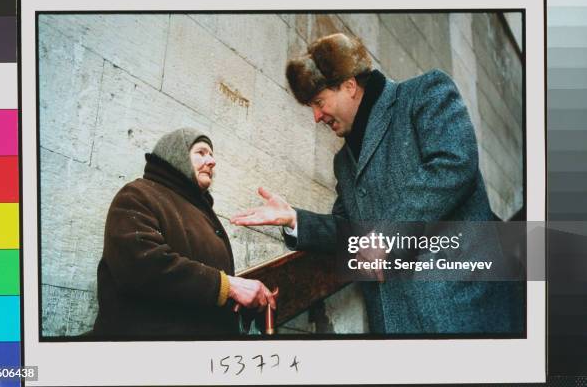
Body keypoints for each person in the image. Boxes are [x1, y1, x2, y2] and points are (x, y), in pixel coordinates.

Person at [231, 33, 522, 334]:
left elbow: (453, 163)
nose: (317, 117)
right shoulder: (343, 161)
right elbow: (351, 232)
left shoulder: (425, 92)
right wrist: (295, 220)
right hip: (394, 324)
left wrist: (384, 236)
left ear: (349, 85)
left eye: (319, 102)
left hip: (460, 311)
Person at [93, 127, 276, 337]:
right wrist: (228, 286)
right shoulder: (138, 194)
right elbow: (141, 264)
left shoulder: (200, 211)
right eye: (201, 152)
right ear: (176, 156)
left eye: (212, 154)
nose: (212, 161)